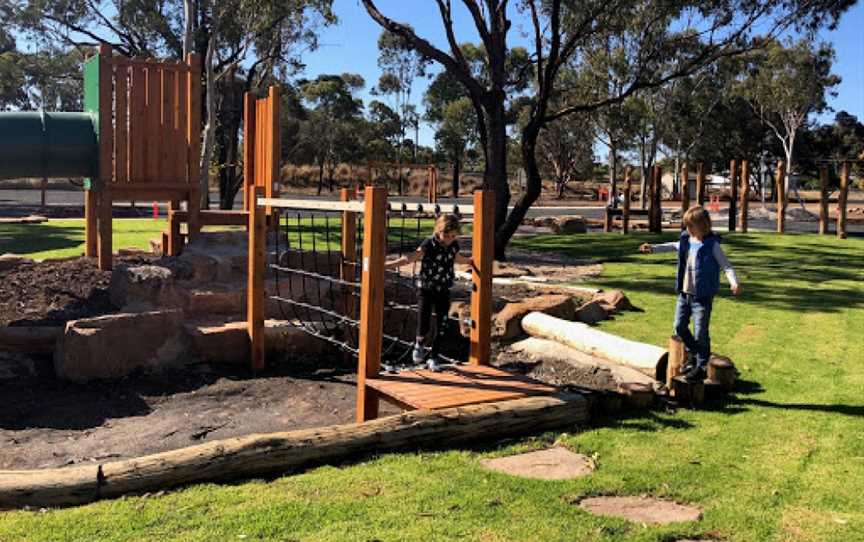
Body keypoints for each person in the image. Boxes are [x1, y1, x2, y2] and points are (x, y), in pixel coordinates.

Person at [639, 205, 741, 382]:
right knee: (679, 327)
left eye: (691, 226)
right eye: (687, 226)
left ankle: (701, 365)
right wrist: (653, 248)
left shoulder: (712, 245)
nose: (688, 229)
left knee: (701, 331)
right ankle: (695, 353)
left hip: (702, 297)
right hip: (684, 294)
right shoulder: (687, 240)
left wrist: (734, 282)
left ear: (702, 225)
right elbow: (672, 246)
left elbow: (726, 265)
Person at [385, 214, 475, 372]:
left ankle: (434, 357)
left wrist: (469, 261)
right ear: (438, 231)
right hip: (426, 289)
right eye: (446, 235)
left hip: (444, 289)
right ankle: (419, 342)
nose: (449, 239)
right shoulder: (429, 243)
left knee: (442, 324)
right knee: (424, 321)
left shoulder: (454, 245)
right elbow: (411, 258)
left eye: (453, 236)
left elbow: (457, 258)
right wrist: (388, 265)